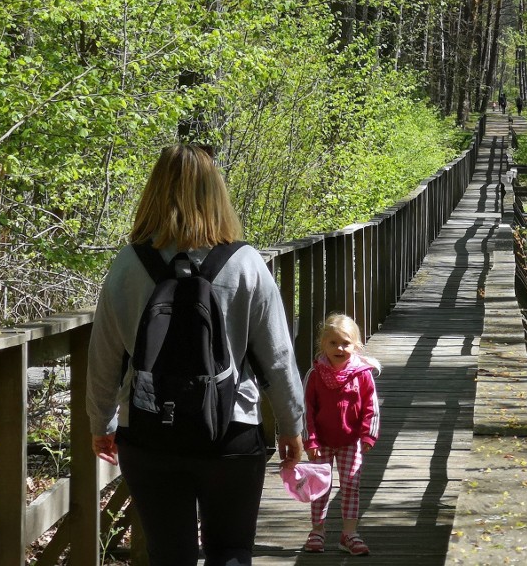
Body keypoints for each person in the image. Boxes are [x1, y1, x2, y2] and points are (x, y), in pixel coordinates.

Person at [86, 143, 305, 566]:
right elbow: (278, 356)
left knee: (170, 556)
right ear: (216, 193)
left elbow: (104, 356)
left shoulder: (128, 265)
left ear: (153, 192)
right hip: (231, 431)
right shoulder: (246, 264)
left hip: (149, 432)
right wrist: (292, 426)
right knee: (232, 552)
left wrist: (101, 421)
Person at [301, 313, 381, 556]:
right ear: (322, 345)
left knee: (351, 485)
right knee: (320, 486)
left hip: (351, 440)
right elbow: (307, 410)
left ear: (356, 346)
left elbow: (371, 406)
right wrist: (310, 439)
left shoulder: (362, 374)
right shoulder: (315, 375)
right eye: (333, 343)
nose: (339, 348)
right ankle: (317, 530)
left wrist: (369, 435)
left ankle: (349, 533)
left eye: (346, 343)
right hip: (321, 441)